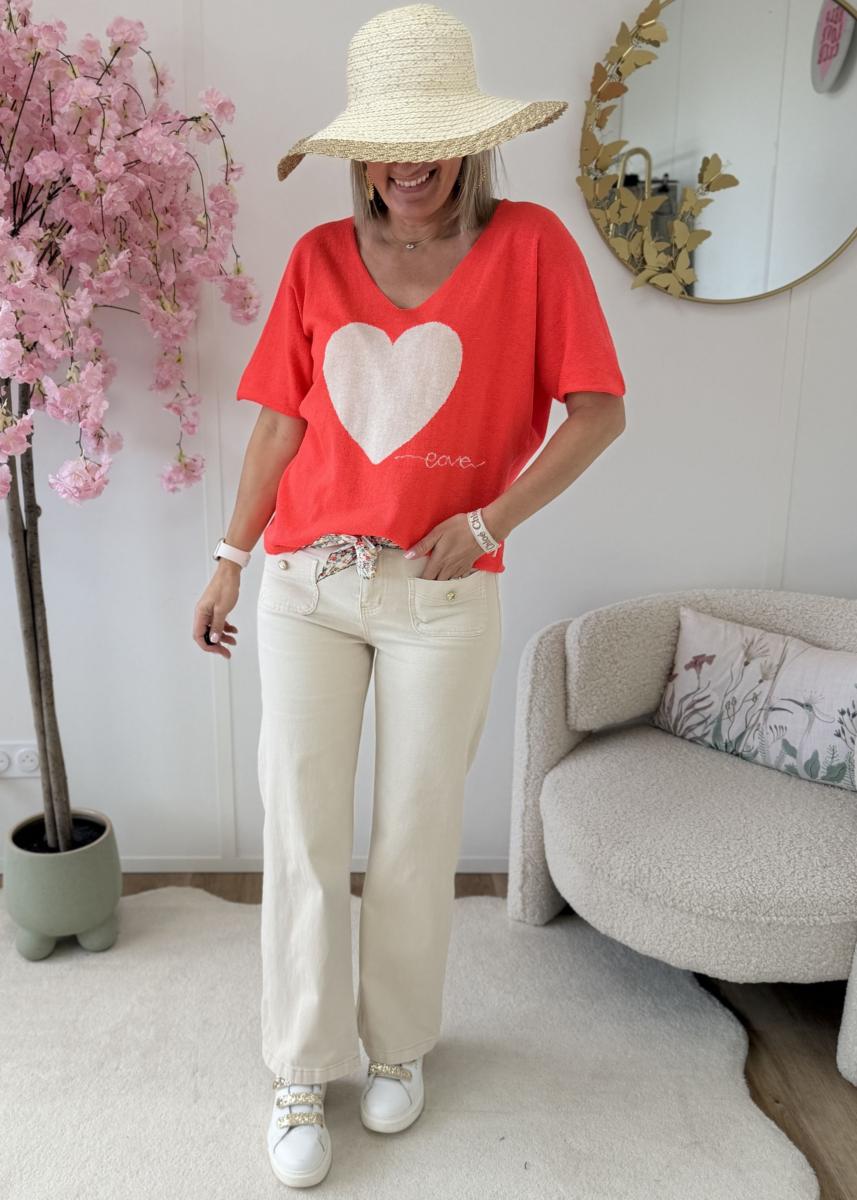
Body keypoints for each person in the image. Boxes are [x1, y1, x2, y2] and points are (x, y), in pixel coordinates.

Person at [193, 1, 627, 1188]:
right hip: (307, 585)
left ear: (468, 144)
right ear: (361, 153)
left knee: (415, 830)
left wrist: (487, 523)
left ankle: (397, 1047)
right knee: (300, 826)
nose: (408, 164)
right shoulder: (316, 261)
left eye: (429, 139)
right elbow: (278, 429)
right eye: (386, 142)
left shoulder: (531, 247)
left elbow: (597, 413)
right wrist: (229, 557)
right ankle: (299, 1065)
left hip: (442, 594)